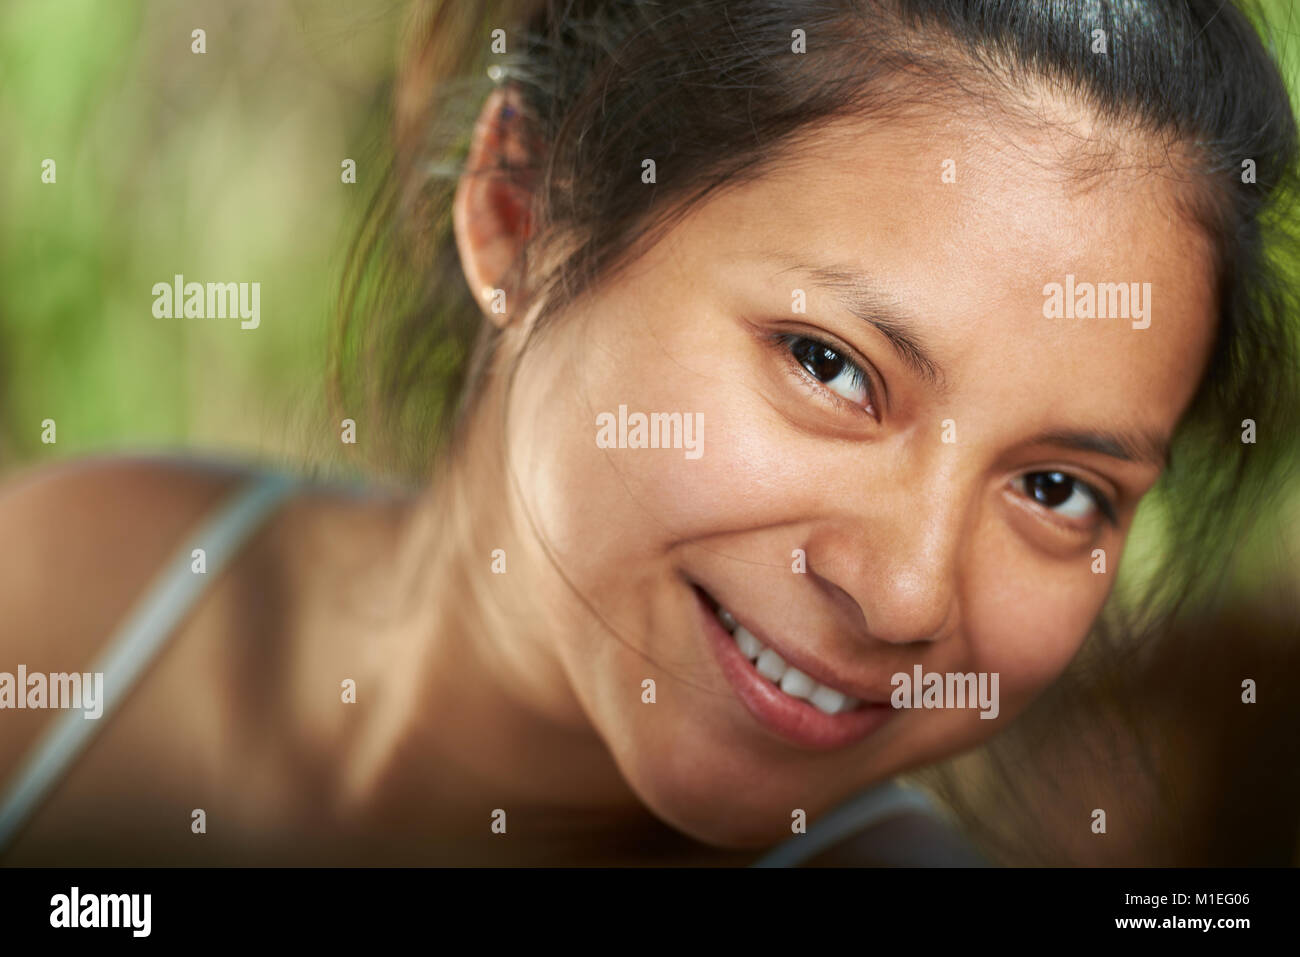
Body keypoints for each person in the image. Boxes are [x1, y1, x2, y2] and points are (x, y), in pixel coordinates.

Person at [1, 0, 1297, 865]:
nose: (906, 592)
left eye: (1063, 489)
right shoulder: (68, 595)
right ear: (518, 208)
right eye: (828, 365)